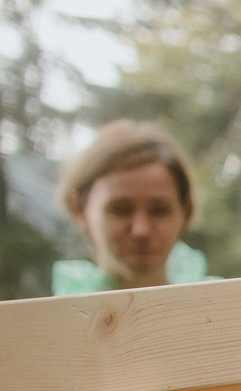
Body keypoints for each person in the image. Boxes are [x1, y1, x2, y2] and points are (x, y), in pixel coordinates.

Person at [53, 120, 209, 295]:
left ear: (185, 210)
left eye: (159, 210)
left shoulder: (226, 306)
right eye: (120, 210)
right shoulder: (55, 318)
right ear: (79, 209)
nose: (141, 231)